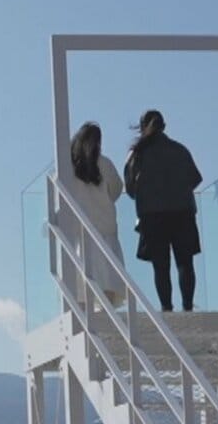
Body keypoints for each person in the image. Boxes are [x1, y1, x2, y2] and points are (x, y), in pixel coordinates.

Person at [124, 110, 203, 312]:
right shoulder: (180, 150)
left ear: (142, 128)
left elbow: (130, 189)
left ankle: (166, 308)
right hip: (182, 212)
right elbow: (194, 179)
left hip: (152, 216)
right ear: (164, 127)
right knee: (185, 263)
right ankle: (187, 307)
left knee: (161, 266)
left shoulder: (137, 154)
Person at [61, 122, 125, 307]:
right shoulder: (105, 164)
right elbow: (117, 189)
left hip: (80, 229)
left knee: (81, 280)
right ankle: (108, 316)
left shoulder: (68, 167)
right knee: (109, 279)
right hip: (105, 227)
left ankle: (83, 317)